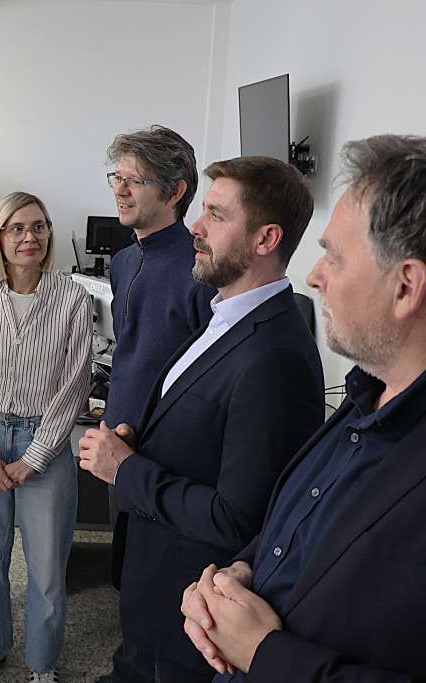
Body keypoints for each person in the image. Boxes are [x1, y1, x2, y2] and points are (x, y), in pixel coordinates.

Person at [182, 134, 426, 682]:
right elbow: (312, 534)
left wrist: (265, 653)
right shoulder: (375, 385)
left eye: (334, 256)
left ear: (406, 287)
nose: (315, 276)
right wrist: (236, 577)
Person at [80, 156, 324, 682]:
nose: (195, 226)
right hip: (154, 587)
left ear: (266, 239)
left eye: (216, 214)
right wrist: (140, 441)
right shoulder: (224, 315)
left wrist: (127, 469)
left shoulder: (275, 356)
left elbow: (239, 518)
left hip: (191, 613)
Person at [0, 192, 92, 683]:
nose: (30, 237)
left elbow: (74, 388)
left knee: (47, 568)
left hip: (44, 441)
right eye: (17, 228)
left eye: (39, 227)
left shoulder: (72, 299)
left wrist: (35, 456)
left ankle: (42, 664)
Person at [98, 124, 216, 683]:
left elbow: (207, 374)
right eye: (116, 177)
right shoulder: (124, 261)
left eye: (134, 180)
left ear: (175, 190)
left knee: (165, 591)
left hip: (166, 458)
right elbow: (130, 352)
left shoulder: (200, 268)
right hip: (119, 448)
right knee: (129, 578)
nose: (119, 191)